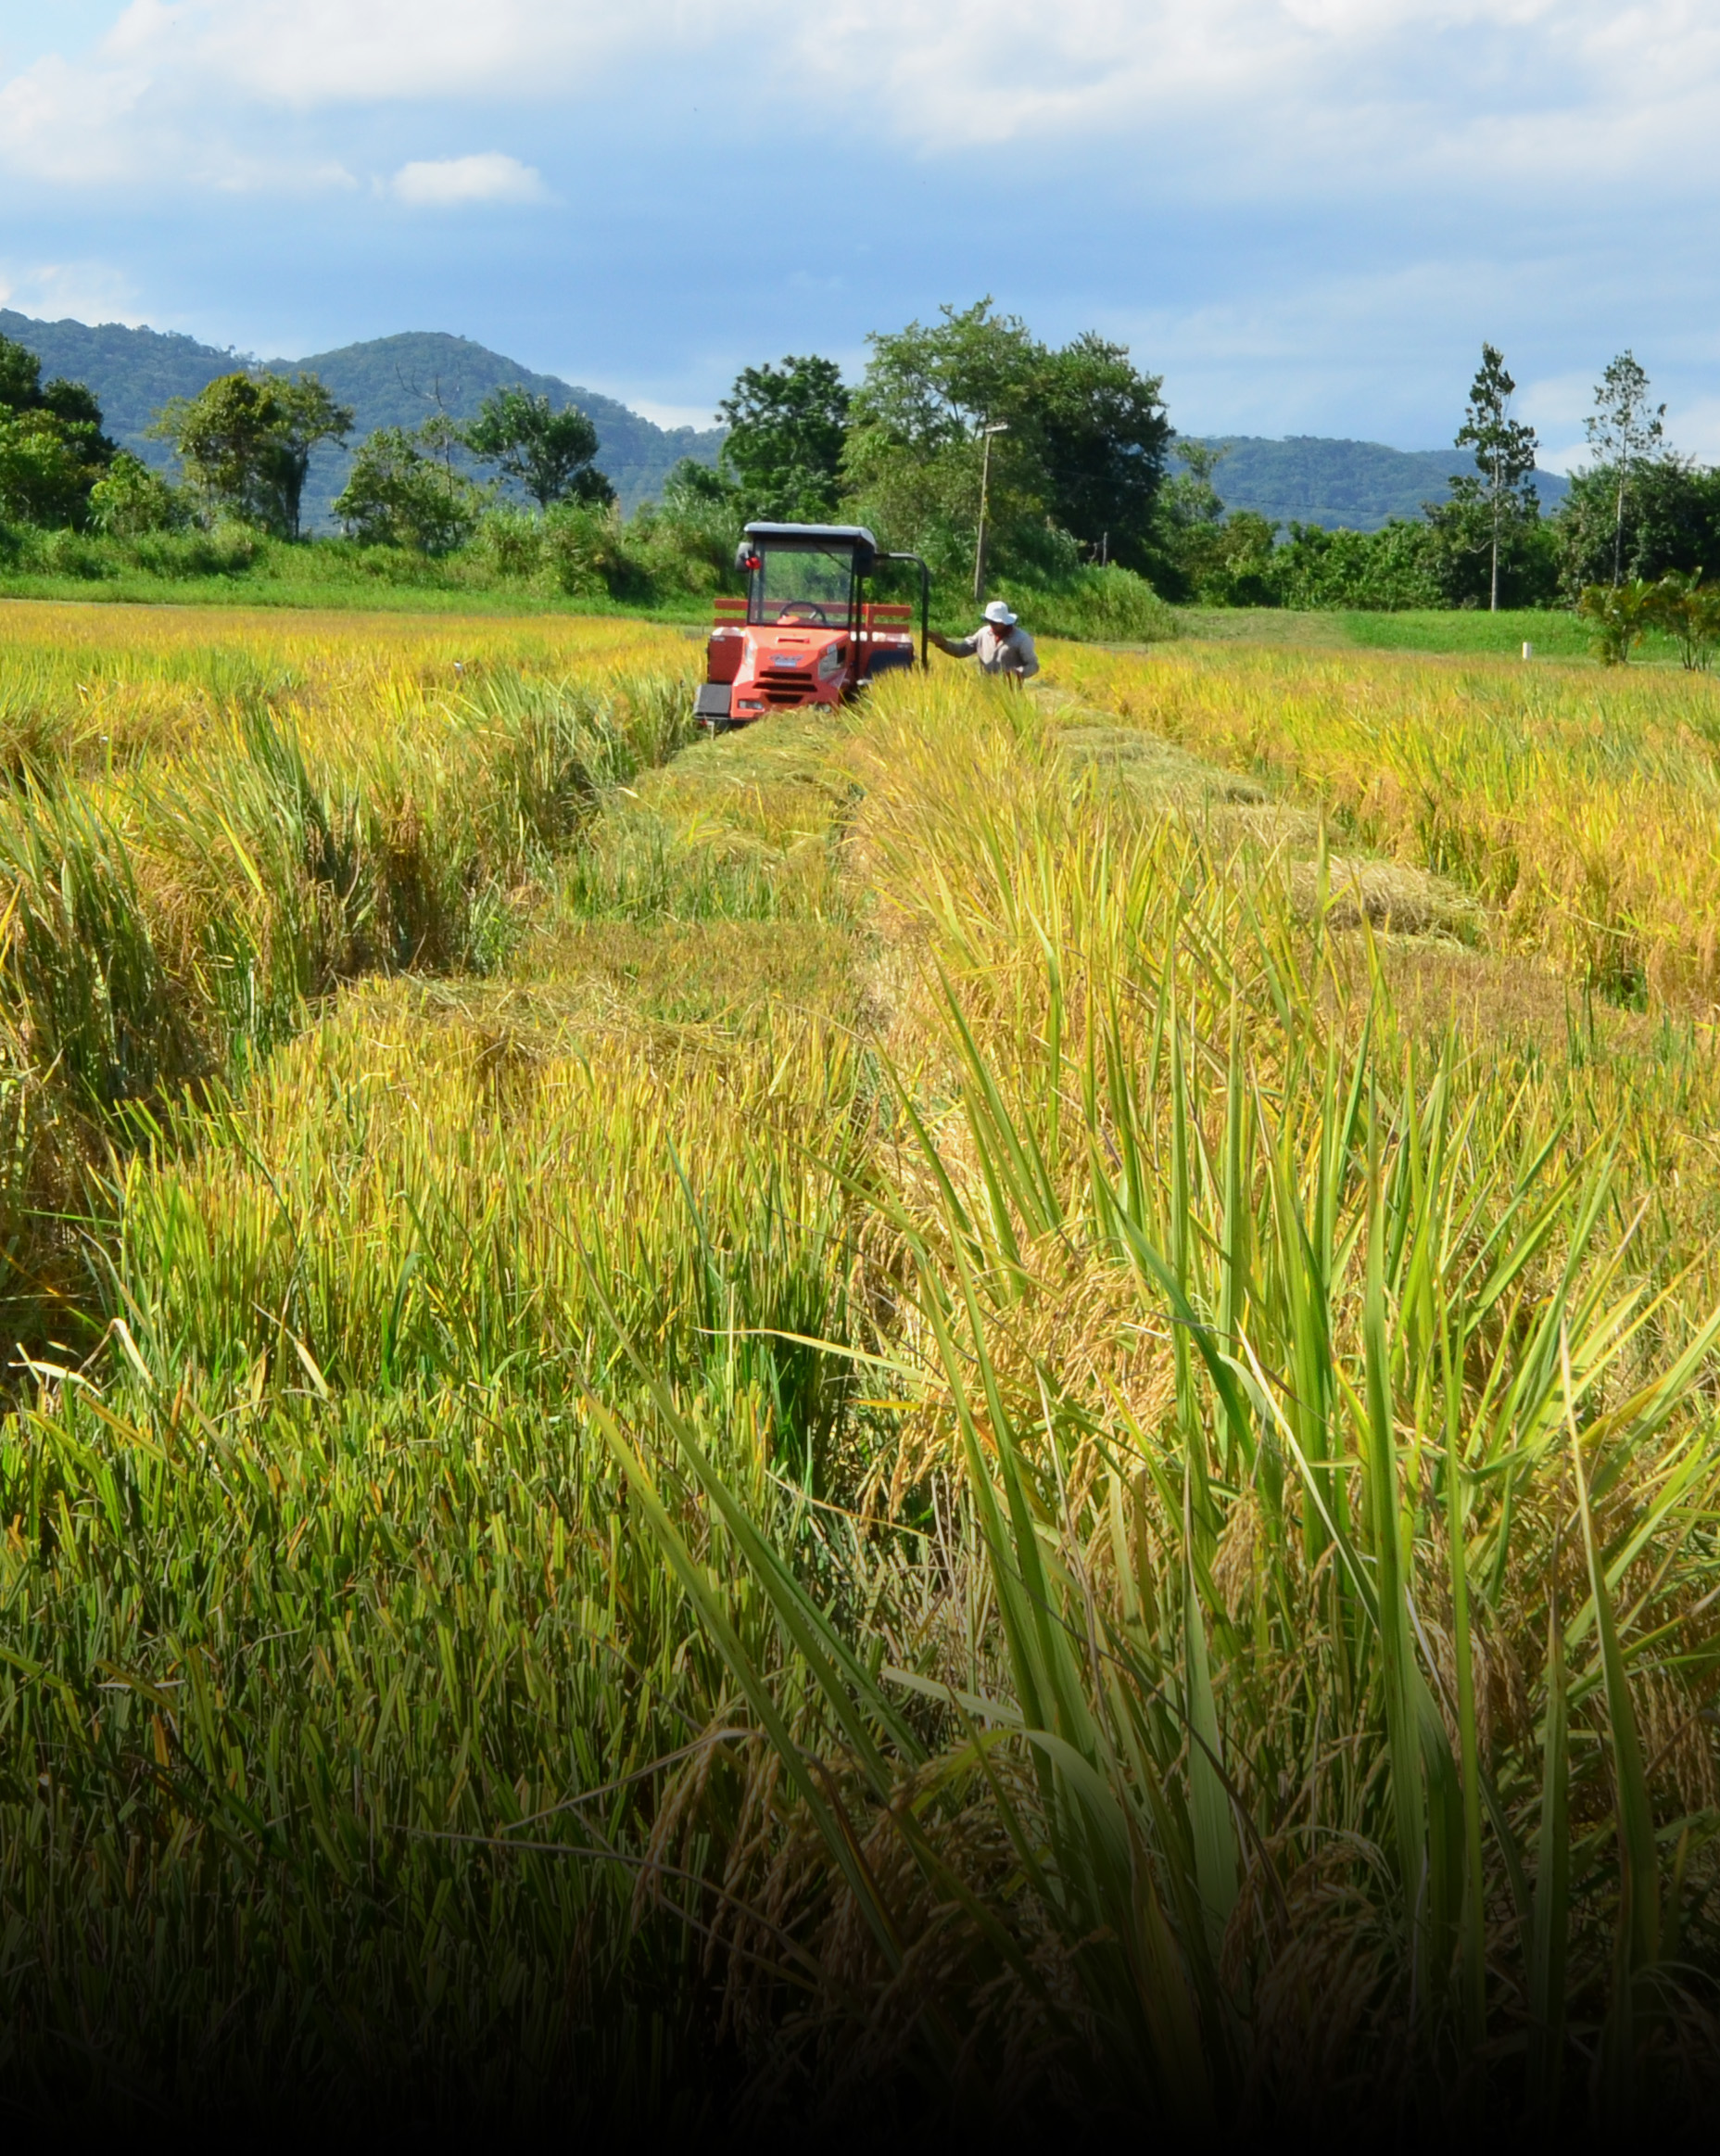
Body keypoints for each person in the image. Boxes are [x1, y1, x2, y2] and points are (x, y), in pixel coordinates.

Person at [930, 598, 1040, 683]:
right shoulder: (983, 633)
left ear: (1005, 622)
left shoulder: (1021, 639)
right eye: (989, 621)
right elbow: (961, 651)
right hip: (985, 689)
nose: (991, 625)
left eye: (995, 622)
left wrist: (1019, 673)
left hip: (1010, 694)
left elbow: (1033, 666)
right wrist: (943, 644)